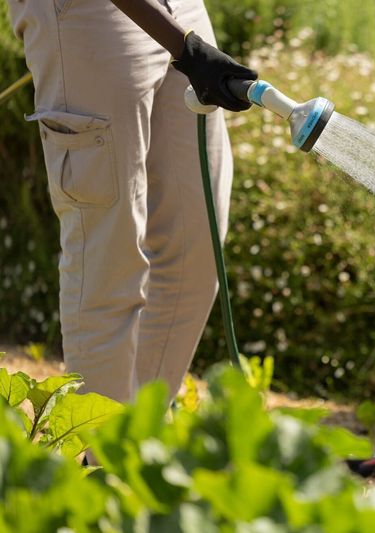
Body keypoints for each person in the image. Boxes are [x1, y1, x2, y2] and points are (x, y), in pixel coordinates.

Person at [5, 0, 255, 402]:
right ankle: (99, 451)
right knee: (108, 258)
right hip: (89, 15)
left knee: (196, 248)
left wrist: (185, 42)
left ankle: (142, 435)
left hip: (181, 10)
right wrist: (185, 47)